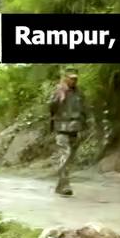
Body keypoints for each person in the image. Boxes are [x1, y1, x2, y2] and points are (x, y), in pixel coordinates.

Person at [48, 68, 85, 197]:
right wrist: (58, 98)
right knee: (66, 154)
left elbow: (84, 111)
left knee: (70, 158)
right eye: (71, 78)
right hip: (61, 128)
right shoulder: (59, 91)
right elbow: (51, 108)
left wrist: (85, 127)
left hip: (75, 128)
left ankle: (61, 184)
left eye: (75, 78)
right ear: (65, 78)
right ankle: (64, 185)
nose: (74, 81)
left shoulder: (79, 93)